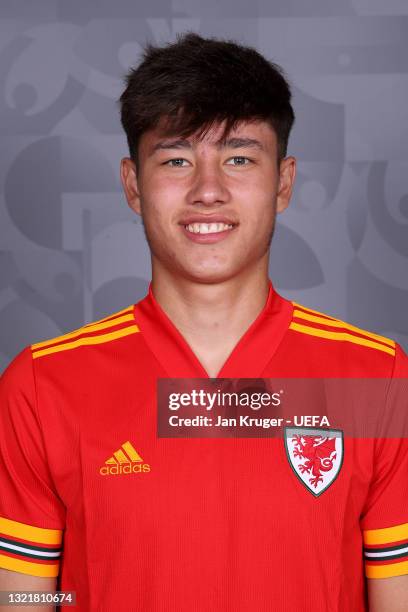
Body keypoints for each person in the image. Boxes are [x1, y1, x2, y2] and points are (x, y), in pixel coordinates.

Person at [0, 32, 407, 612]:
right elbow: (26, 599)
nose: (208, 190)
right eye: (176, 159)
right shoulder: (42, 386)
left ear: (284, 182)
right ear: (133, 184)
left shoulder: (376, 382)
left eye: (239, 158)